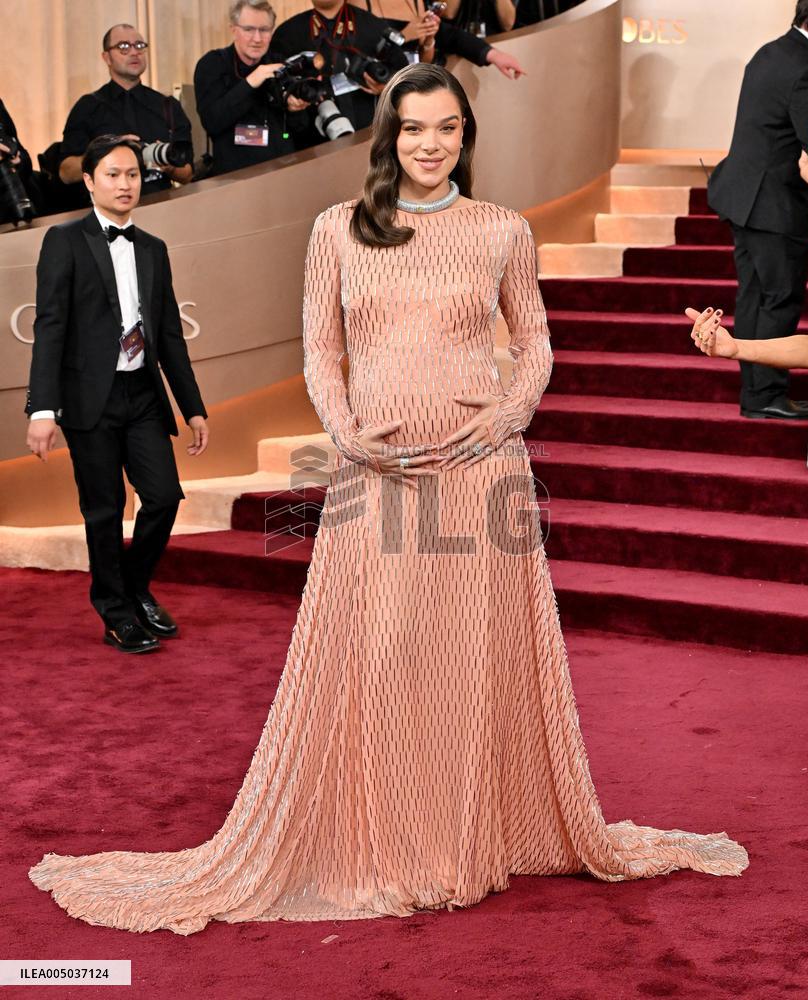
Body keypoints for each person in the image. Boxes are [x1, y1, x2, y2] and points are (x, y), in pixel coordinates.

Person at [28, 67, 747, 933]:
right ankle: (394, 833)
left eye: (445, 128)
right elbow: (320, 352)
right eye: (412, 129)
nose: (430, 144)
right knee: (387, 649)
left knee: (472, 657)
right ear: (387, 137)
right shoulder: (338, 229)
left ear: (465, 135)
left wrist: (507, 421)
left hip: (480, 472)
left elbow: (535, 344)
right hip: (377, 472)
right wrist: (344, 433)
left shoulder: (500, 231)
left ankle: (469, 833)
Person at [25, 135, 208, 655]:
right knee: (104, 509)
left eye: (131, 174)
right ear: (89, 181)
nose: (125, 183)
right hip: (90, 399)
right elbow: (50, 327)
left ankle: (134, 585)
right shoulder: (63, 241)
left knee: (165, 496)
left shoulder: (153, 248)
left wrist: (192, 407)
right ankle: (116, 612)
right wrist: (43, 408)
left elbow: (168, 334)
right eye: (112, 174)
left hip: (142, 394)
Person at [706, 0, 808, 422]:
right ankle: (767, 392)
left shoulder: (771, 50)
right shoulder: (806, 68)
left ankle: (757, 395)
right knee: (779, 299)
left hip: (742, 196)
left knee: (754, 296)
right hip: (775, 204)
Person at [59, 24, 194, 200]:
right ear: (106, 57)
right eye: (123, 47)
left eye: (139, 46)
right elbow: (66, 173)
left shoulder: (167, 105)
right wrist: (107, 153)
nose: (134, 52)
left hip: (162, 206)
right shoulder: (88, 106)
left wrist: (167, 164)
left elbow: (188, 174)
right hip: (108, 214)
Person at [194, 0, 311, 176]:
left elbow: (301, 129)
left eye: (264, 30)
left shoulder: (279, 63)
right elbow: (212, 122)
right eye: (249, 30)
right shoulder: (213, 64)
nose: (257, 39)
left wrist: (296, 110)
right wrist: (251, 82)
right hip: (235, 178)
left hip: (283, 173)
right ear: (233, 29)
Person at [270, 0, 411, 144]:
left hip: (372, 137)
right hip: (313, 145)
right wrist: (290, 101)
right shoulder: (287, 34)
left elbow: (404, 77)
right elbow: (272, 90)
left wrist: (387, 88)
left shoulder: (373, 25)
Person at [350, 0, 525, 77]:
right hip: (376, 100)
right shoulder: (358, 3)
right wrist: (403, 36)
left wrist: (493, 55)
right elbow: (353, 48)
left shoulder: (415, 1)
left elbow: (448, 37)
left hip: (414, 91)